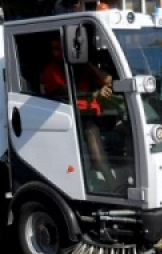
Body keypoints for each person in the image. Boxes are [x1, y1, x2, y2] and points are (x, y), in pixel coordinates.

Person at [43, 39, 118, 190]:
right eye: (54, 49)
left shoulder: (83, 68)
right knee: (91, 130)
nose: (56, 53)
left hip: (99, 113)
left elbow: (109, 80)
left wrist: (88, 64)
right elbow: (66, 91)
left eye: (59, 49)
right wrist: (95, 93)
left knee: (127, 126)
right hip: (75, 117)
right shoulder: (51, 70)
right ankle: (110, 181)